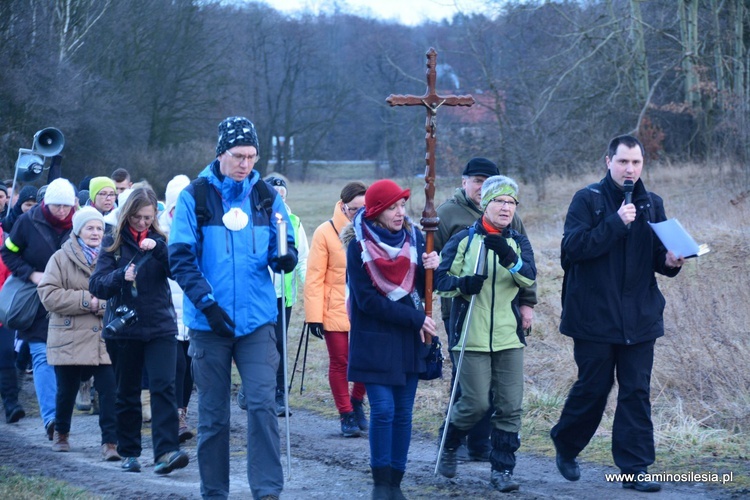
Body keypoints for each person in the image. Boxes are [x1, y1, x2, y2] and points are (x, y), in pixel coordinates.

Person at [169, 116, 296, 499]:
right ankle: (214, 492)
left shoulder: (266, 197)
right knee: (213, 416)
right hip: (210, 323)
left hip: (257, 322)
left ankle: (268, 491)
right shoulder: (195, 197)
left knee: (261, 406)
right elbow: (179, 258)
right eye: (239, 155)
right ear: (221, 153)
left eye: (252, 156)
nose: (246, 164)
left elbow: (281, 247)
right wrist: (206, 305)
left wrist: (282, 260)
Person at [550, 135, 685, 493]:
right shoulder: (587, 199)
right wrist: (614, 223)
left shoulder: (652, 203)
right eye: (623, 162)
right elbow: (571, 250)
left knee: (636, 391)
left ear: (643, 165)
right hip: (593, 317)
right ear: (607, 161)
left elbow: (658, 258)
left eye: (636, 163)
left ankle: (635, 468)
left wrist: (671, 262)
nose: (630, 169)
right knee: (594, 387)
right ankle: (565, 442)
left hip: (640, 317)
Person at [435, 175, 537, 492]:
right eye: (500, 201)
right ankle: (449, 442)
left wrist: (509, 258)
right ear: (486, 203)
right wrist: (463, 284)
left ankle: (502, 471)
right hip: (471, 336)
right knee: (476, 403)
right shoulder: (464, 240)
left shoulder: (517, 242)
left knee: (510, 406)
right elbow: (440, 281)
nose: (506, 208)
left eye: (511, 202)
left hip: (508, 338)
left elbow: (529, 278)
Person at [342, 179, 439, 499]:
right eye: (392, 207)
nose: (400, 213)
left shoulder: (416, 240)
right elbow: (367, 300)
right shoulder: (358, 247)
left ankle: (396, 482)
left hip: (408, 342)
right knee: (382, 411)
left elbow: (424, 290)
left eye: (402, 206)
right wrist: (416, 319)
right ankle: (380, 482)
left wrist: (433, 268)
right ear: (376, 212)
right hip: (374, 340)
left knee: (403, 413)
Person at [89, 187, 188, 475]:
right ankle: (130, 452)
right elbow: (96, 285)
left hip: (160, 326)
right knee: (127, 393)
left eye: (148, 217)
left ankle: (166, 452)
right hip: (124, 330)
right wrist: (121, 276)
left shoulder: (161, 242)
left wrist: (159, 251)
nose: (143, 223)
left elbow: (178, 272)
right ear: (127, 214)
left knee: (164, 388)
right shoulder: (113, 243)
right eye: (137, 217)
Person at [37, 207, 120, 460]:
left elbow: (123, 295)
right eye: (89, 228)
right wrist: (88, 301)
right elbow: (48, 294)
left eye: (99, 228)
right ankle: (61, 434)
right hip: (69, 335)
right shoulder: (60, 258)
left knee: (109, 389)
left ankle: (110, 443)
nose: (95, 233)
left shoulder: (112, 258)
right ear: (78, 231)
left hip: (102, 337)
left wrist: (102, 304)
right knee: (67, 389)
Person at [1, 178, 77, 440]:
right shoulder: (27, 222)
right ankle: (52, 420)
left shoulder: (79, 223)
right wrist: (30, 274)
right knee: (43, 358)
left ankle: (64, 413)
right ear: (47, 203)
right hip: (37, 303)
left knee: (66, 361)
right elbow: (8, 253)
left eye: (67, 207)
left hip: (70, 300)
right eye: (57, 206)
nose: (62, 212)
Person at [237, 176, 309, 417]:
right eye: (275, 190)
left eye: (283, 191)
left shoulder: (294, 222)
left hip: (283, 296)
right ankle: (251, 387)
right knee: (255, 343)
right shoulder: (252, 217)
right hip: (258, 293)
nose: (280, 194)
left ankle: (279, 393)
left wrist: (308, 287)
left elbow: (303, 258)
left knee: (278, 344)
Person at [304, 180, 369, 437]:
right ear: (343, 207)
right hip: (335, 307)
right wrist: (314, 317)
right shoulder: (325, 232)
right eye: (354, 209)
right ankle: (345, 414)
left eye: (364, 208)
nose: (359, 214)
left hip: (364, 307)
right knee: (340, 362)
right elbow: (314, 277)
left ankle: (357, 401)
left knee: (366, 359)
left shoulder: (371, 229)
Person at [158, 174, 194, 442]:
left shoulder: (198, 230)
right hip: (166, 313)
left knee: (189, 366)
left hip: (192, 312)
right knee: (176, 366)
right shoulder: (158, 234)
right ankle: (171, 415)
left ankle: (182, 414)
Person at [0, 225, 25, 424]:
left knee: (6, 354)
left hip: (3, 310)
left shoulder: (7, 239)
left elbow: (13, 271)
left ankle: (11, 404)